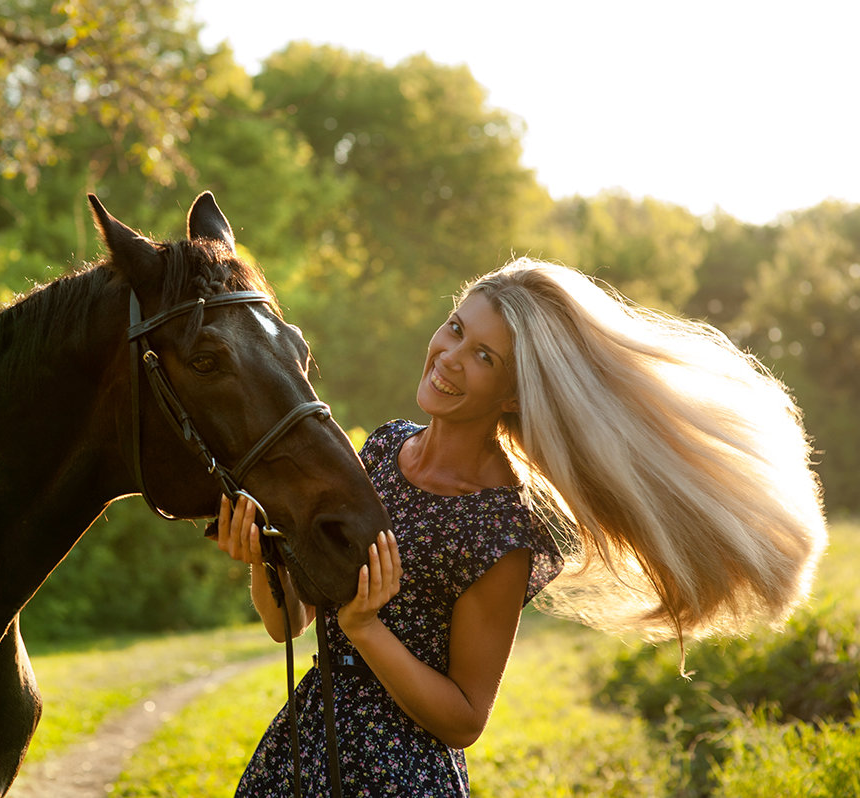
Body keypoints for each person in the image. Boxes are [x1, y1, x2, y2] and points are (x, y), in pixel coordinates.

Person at [214, 257, 827, 797]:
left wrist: (366, 629)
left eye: (484, 357)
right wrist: (261, 564)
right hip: (297, 758)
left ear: (513, 394)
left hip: (395, 776)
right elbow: (288, 623)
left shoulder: (503, 528)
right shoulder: (379, 451)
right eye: (456, 328)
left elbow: (464, 718)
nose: (450, 358)